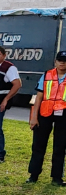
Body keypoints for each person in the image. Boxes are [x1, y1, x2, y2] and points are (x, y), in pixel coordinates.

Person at [28, 50, 66, 185]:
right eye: (60, 60)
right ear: (55, 61)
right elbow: (38, 97)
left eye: (65, 61)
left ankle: (57, 178)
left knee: (60, 147)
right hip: (44, 113)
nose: (62, 63)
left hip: (63, 115)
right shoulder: (47, 75)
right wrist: (34, 117)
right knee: (38, 145)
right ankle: (33, 175)